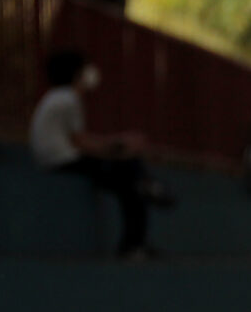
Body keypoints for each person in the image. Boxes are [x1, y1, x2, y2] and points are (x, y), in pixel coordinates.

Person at [30, 49, 173, 259]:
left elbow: (80, 140)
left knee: (128, 172)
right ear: (77, 73)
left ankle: (147, 186)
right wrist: (120, 145)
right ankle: (134, 240)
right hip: (63, 161)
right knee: (130, 180)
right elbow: (81, 143)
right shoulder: (69, 99)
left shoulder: (55, 98)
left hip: (56, 159)